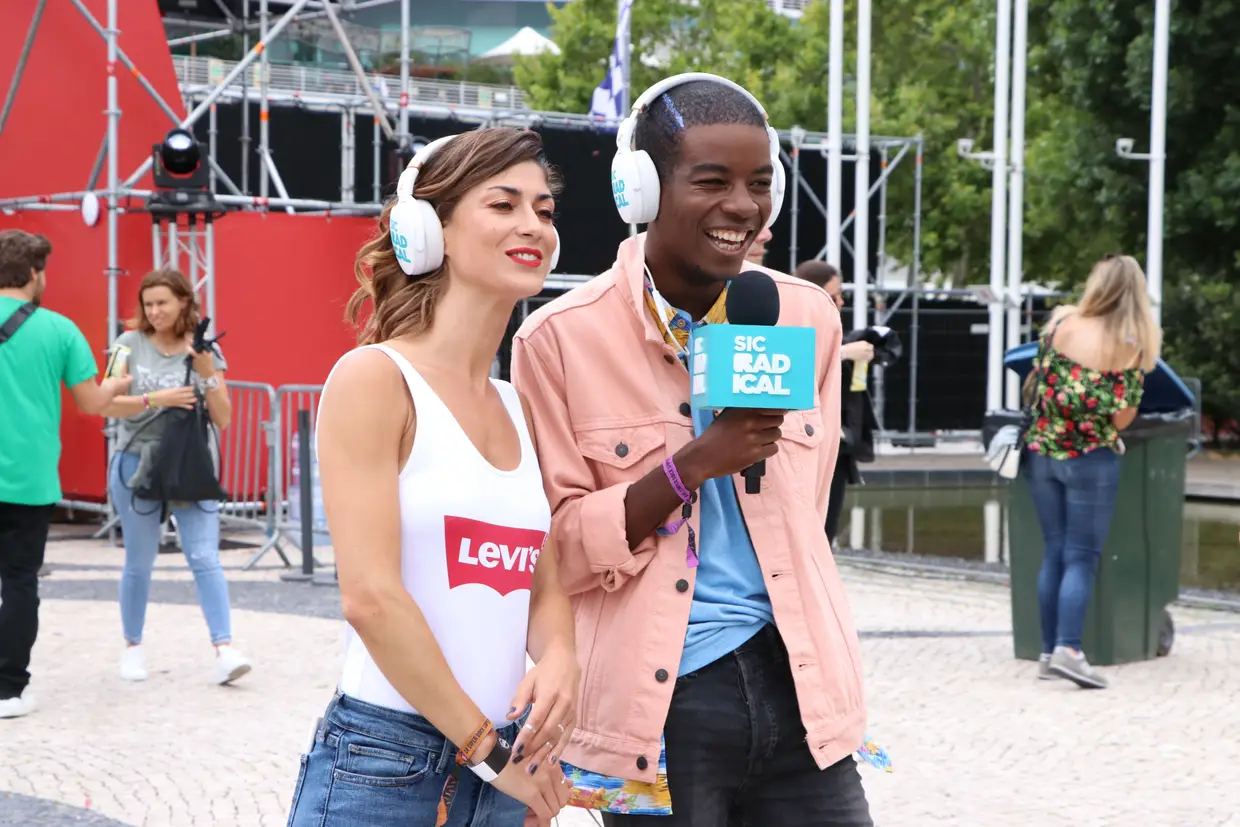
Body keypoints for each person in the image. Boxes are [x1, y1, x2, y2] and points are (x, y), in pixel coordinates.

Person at [512, 76, 873, 826]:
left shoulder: (806, 316)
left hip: (801, 679)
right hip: (662, 702)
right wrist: (691, 466)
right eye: (712, 182)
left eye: (760, 183)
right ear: (642, 190)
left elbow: (808, 509)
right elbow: (558, 551)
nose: (742, 205)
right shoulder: (558, 341)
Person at [286, 128, 577, 827]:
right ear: (428, 229)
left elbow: (540, 581)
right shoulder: (374, 379)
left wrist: (562, 656)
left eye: (543, 209)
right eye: (503, 204)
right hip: (388, 763)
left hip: (504, 763)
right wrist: (487, 753)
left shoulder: (517, 405)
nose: (532, 225)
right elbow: (370, 598)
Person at [0, 229, 131, 719]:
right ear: (35, 273)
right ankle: (8, 690)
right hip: (29, 479)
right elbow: (93, 403)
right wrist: (116, 384)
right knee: (19, 581)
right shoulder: (59, 329)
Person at [101, 268, 250, 686]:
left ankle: (224, 648)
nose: (154, 311)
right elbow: (105, 403)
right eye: (148, 304)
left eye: (162, 302)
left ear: (184, 301)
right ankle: (133, 645)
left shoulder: (204, 348)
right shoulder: (127, 344)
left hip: (190, 463)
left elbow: (224, 417)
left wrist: (205, 369)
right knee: (139, 560)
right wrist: (155, 399)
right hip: (136, 462)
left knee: (204, 556)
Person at [1023, 254, 1159, 689]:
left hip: (1042, 452)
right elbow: (1121, 418)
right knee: (1081, 556)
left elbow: (1037, 385)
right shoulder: (1129, 343)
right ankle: (1070, 649)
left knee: (1054, 550)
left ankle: (1048, 653)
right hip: (1090, 459)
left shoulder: (1059, 325)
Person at [793, 261, 874, 543]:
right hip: (805, 443)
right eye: (833, 296)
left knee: (826, 527)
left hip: (835, 442)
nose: (840, 302)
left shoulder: (831, 331)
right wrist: (844, 353)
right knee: (809, 530)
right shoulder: (791, 325)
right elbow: (796, 368)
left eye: (840, 296)